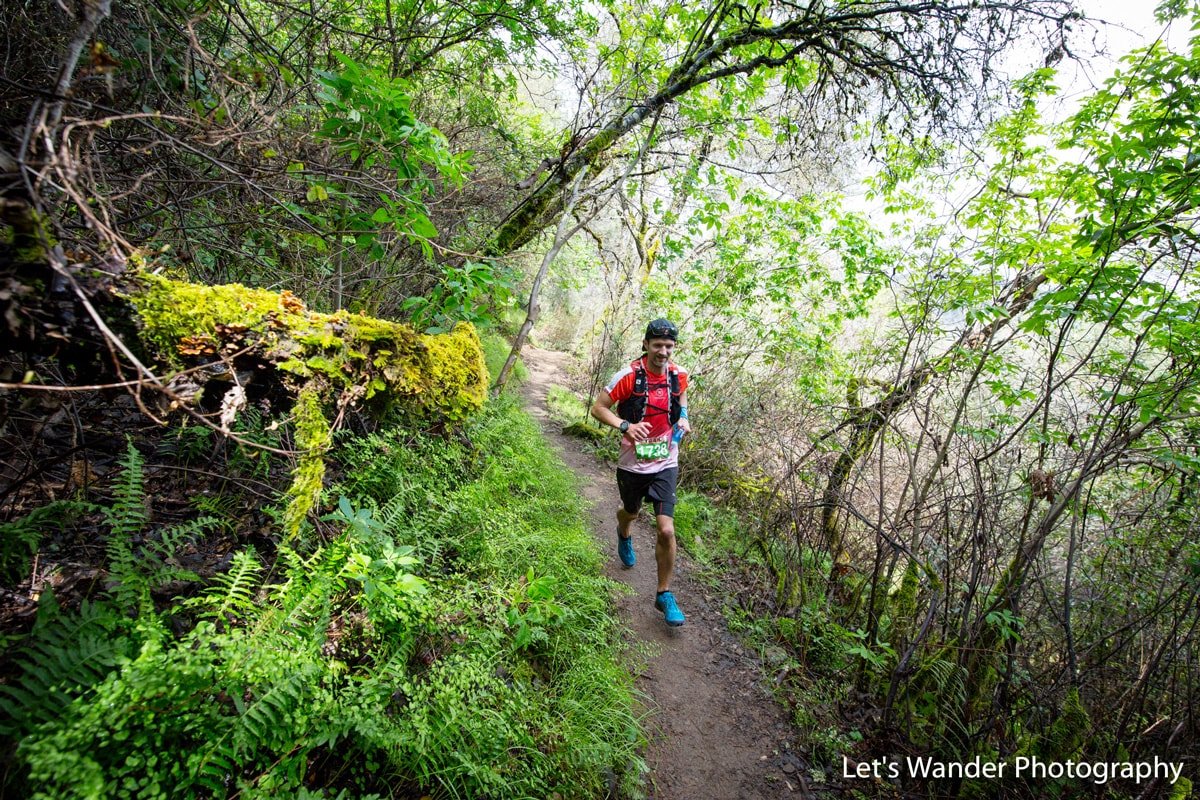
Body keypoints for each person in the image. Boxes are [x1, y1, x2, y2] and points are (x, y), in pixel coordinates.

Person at [590, 318, 691, 626]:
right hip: (633, 462)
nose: (663, 352)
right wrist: (625, 426)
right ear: (646, 344)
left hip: (665, 460)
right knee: (630, 513)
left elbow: (682, 397)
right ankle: (623, 534)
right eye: (657, 345)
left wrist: (684, 417)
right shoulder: (629, 375)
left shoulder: (679, 375)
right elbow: (598, 407)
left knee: (666, 529)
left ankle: (664, 594)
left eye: (669, 346)